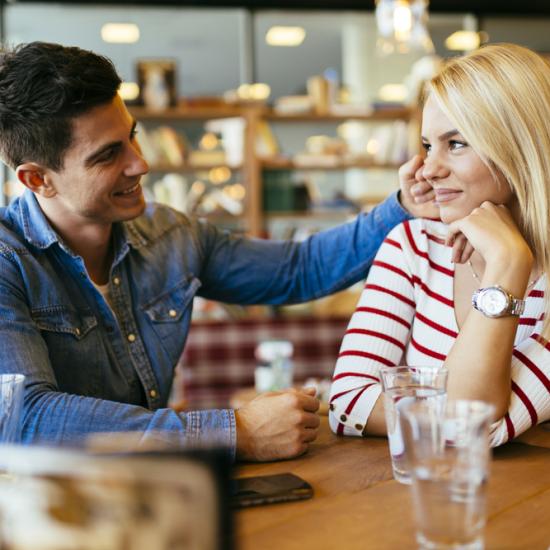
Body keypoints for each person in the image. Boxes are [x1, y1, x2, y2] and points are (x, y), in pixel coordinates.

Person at [0, 41, 434, 462]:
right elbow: (25, 418)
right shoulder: (7, 261)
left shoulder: (170, 234)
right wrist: (236, 433)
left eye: (132, 137)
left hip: (151, 498)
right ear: (38, 179)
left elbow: (297, 269)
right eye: (109, 154)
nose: (140, 163)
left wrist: (402, 207)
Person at [330, 43, 550, 446]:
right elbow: (347, 404)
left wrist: (507, 263)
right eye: (428, 145)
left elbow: (477, 426)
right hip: (431, 498)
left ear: (520, 148)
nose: (428, 169)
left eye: (457, 143)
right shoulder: (414, 246)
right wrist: (443, 415)